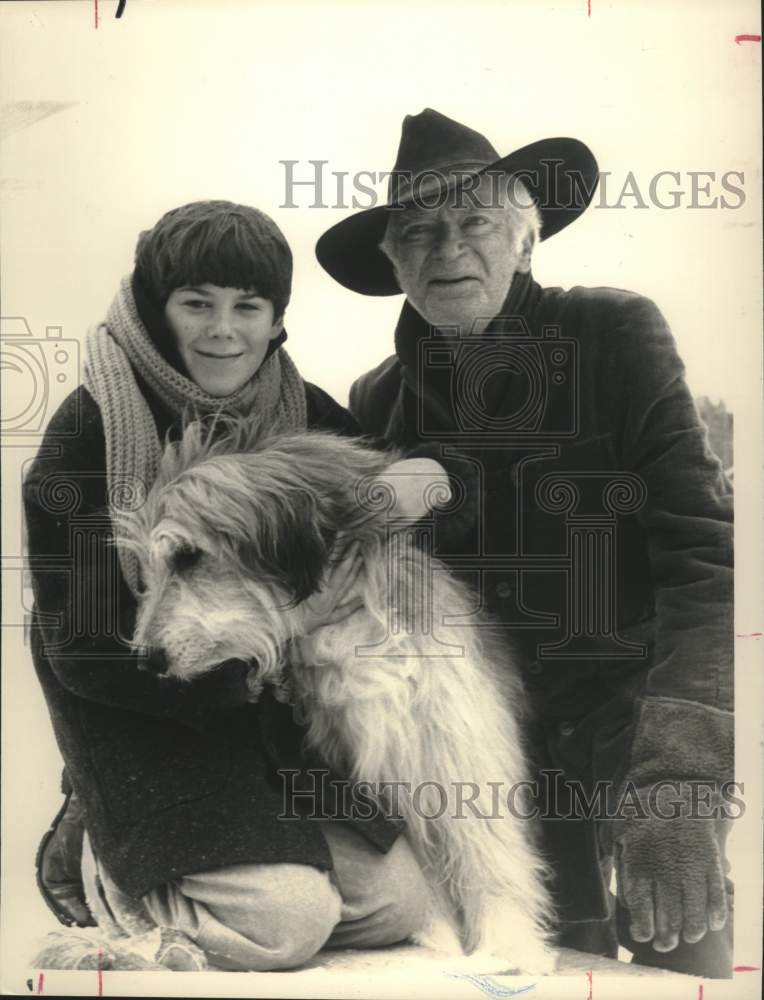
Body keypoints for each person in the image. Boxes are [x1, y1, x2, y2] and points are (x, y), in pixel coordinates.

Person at [315, 109, 734, 978]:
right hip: (495, 764)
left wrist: (679, 779)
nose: (448, 249)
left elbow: (702, 556)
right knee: (539, 971)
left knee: (686, 957)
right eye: (418, 232)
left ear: (526, 237)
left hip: (635, 727)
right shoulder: (381, 402)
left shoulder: (613, 334)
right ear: (393, 266)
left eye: (474, 222)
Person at [26, 200, 450, 971]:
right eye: (197, 304)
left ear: (275, 319)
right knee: (287, 925)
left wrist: (418, 483)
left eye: (246, 307)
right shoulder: (90, 433)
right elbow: (78, 650)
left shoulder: (300, 412)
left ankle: (249, 872)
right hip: (146, 723)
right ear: (159, 311)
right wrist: (270, 639)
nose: (224, 331)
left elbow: (394, 485)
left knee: (403, 902)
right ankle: (103, 868)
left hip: (271, 735)